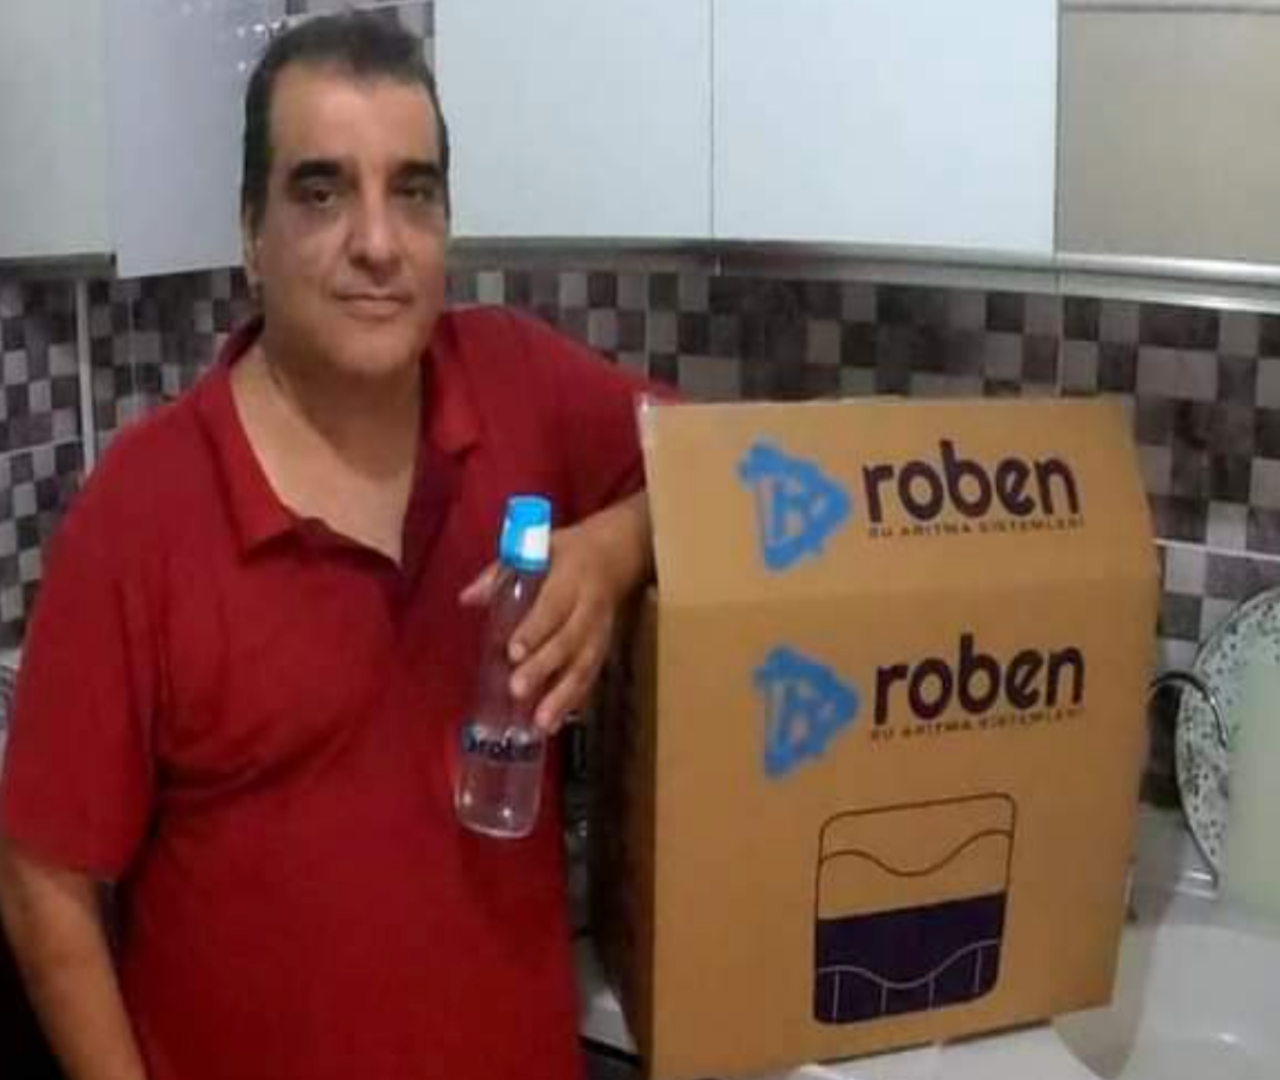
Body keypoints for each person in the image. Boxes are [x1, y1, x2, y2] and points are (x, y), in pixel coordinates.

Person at [0, 13, 666, 1080]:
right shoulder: (140, 513)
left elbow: (740, 470)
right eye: (322, 193)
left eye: (413, 191)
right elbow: (43, 880)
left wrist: (616, 544)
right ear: (251, 235)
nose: (378, 242)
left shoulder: (520, 386)